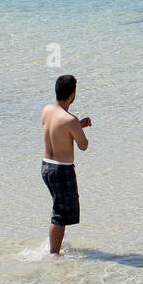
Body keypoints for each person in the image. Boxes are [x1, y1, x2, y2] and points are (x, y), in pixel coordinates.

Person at [41, 74, 90, 255]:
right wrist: (78, 128)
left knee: (58, 208)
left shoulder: (46, 110)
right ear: (72, 94)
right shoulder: (70, 120)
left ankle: (57, 248)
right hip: (61, 169)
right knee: (59, 215)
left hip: (46, 166)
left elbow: (57, 130)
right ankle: (54, 254)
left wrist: (77, 127)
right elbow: (83, 146)